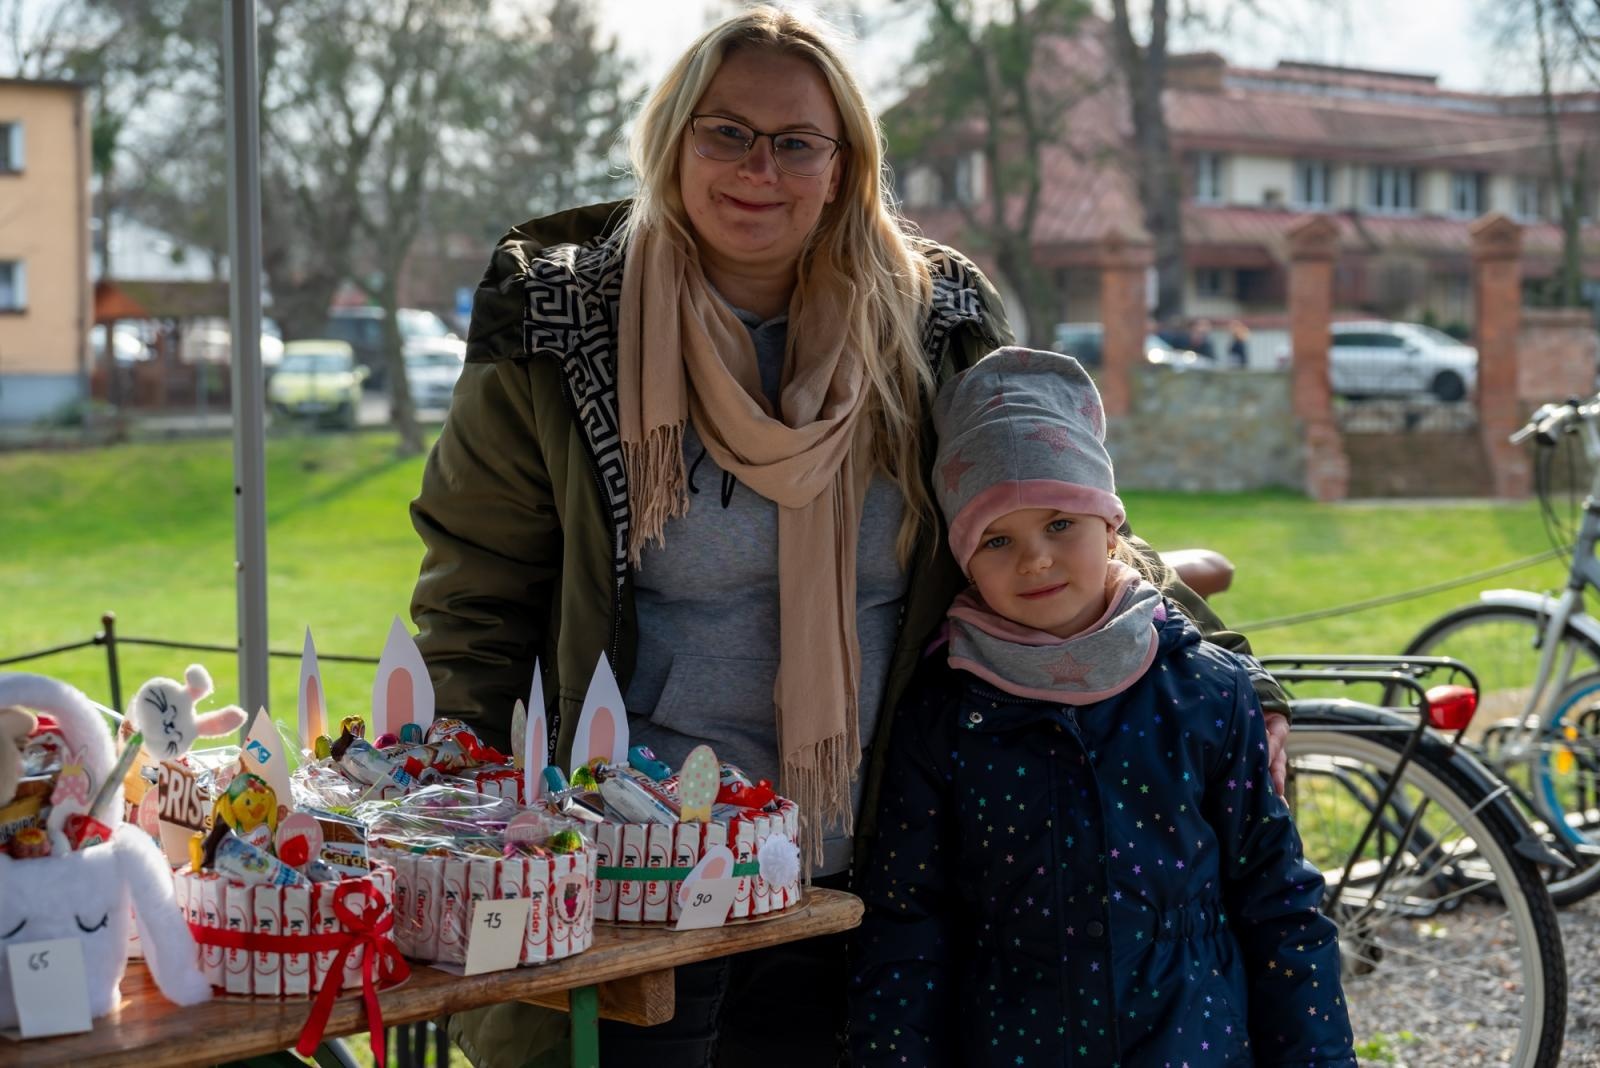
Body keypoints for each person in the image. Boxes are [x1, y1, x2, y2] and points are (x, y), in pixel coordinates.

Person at [409, 7, 1289, 1065]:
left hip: (867, 860)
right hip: (628, 877)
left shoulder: (931, 324)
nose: (758, 169)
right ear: (673, 137)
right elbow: (474, 604)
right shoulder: (560, 330)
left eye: (796, 143)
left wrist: (1231, 672)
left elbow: (1048, 518)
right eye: (725, 132)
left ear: (844, 164)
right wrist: (467, 841)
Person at [848, 348, 1354, 1068]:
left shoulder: (1206, 692)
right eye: (998, 539)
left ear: (1111, 527)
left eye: (1061, 524)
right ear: (963, 557)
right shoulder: (944, 715)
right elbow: (907, 929)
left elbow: (1280, 906)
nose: (1035, 562)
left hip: (1195, 1045)